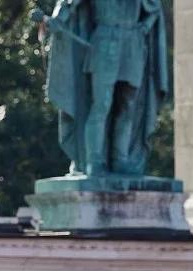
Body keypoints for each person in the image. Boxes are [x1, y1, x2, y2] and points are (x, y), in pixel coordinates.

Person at [33, 0, 170, 177]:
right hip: (105, 39)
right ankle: (94, 161)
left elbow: (154, 9)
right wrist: (54, 20)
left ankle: (120, 159)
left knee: (128, 105)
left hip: (133, 41)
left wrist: (145, 26)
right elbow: (69, 4)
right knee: (102, 104)